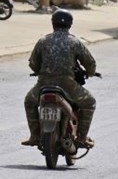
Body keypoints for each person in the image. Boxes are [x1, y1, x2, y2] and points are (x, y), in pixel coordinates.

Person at [23, 10, 98, 148]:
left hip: (43, 85)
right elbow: (90, 64)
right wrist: (90, 73)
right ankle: (82, 138)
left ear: (53, 23)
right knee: (90, 102)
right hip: (68, 86)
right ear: (70, 24)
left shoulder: (43, 41)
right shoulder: (75, 42)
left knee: (29, 102)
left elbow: (33, 64)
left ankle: (34, 136)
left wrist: (40, 71)